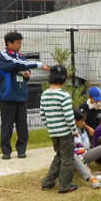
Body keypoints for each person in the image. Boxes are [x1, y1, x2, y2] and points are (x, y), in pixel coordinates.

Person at [0, 31, 50, 160]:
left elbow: (24, 68)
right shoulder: (3, 55)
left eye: (21, 42)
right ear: (9, 43)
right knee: (7, 124)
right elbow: (15, 64)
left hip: (21, 95)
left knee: (22, 124)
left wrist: (26, 73)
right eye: (17, 43)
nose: (20, 45)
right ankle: (6, 151)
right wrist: (39, 64)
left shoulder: (20, 56)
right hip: (7, 95)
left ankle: (21, 149)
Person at [41, 65, 79, 193]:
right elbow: (69, 116)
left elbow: (43, 115)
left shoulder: (44, 94)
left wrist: (50, 127)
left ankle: (48, 182)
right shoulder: (64, 95)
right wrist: (74, 130)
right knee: (67, 159)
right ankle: (65, 186)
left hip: (53, 132)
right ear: (64, 78)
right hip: (65, 132)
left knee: (59, 156)